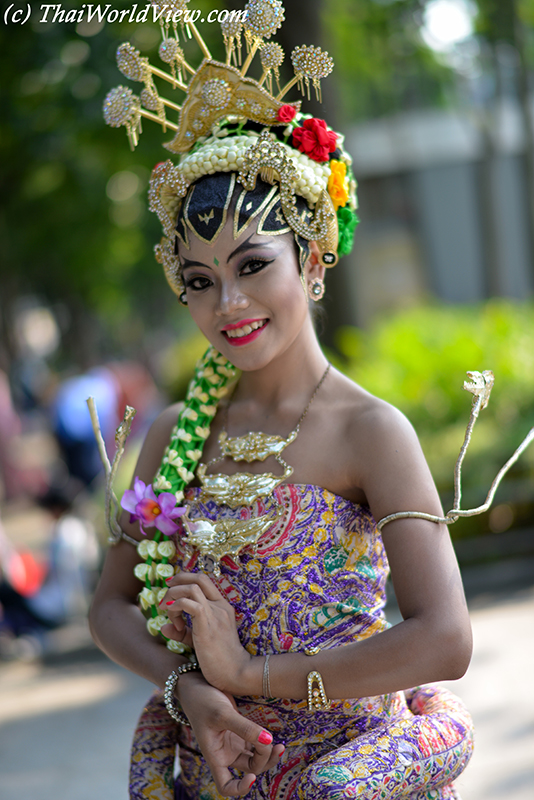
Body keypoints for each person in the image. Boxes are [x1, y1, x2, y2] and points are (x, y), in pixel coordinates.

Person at [90, 5, 474, 798]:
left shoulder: (372, 432)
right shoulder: (174, 434)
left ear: (315, 260)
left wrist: (252, 674)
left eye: (252, 264)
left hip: (349, 770)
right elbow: (109, 607)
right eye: (199, 281)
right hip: (213, 769)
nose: (227, 302)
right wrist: (185, 686)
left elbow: (446, 639)